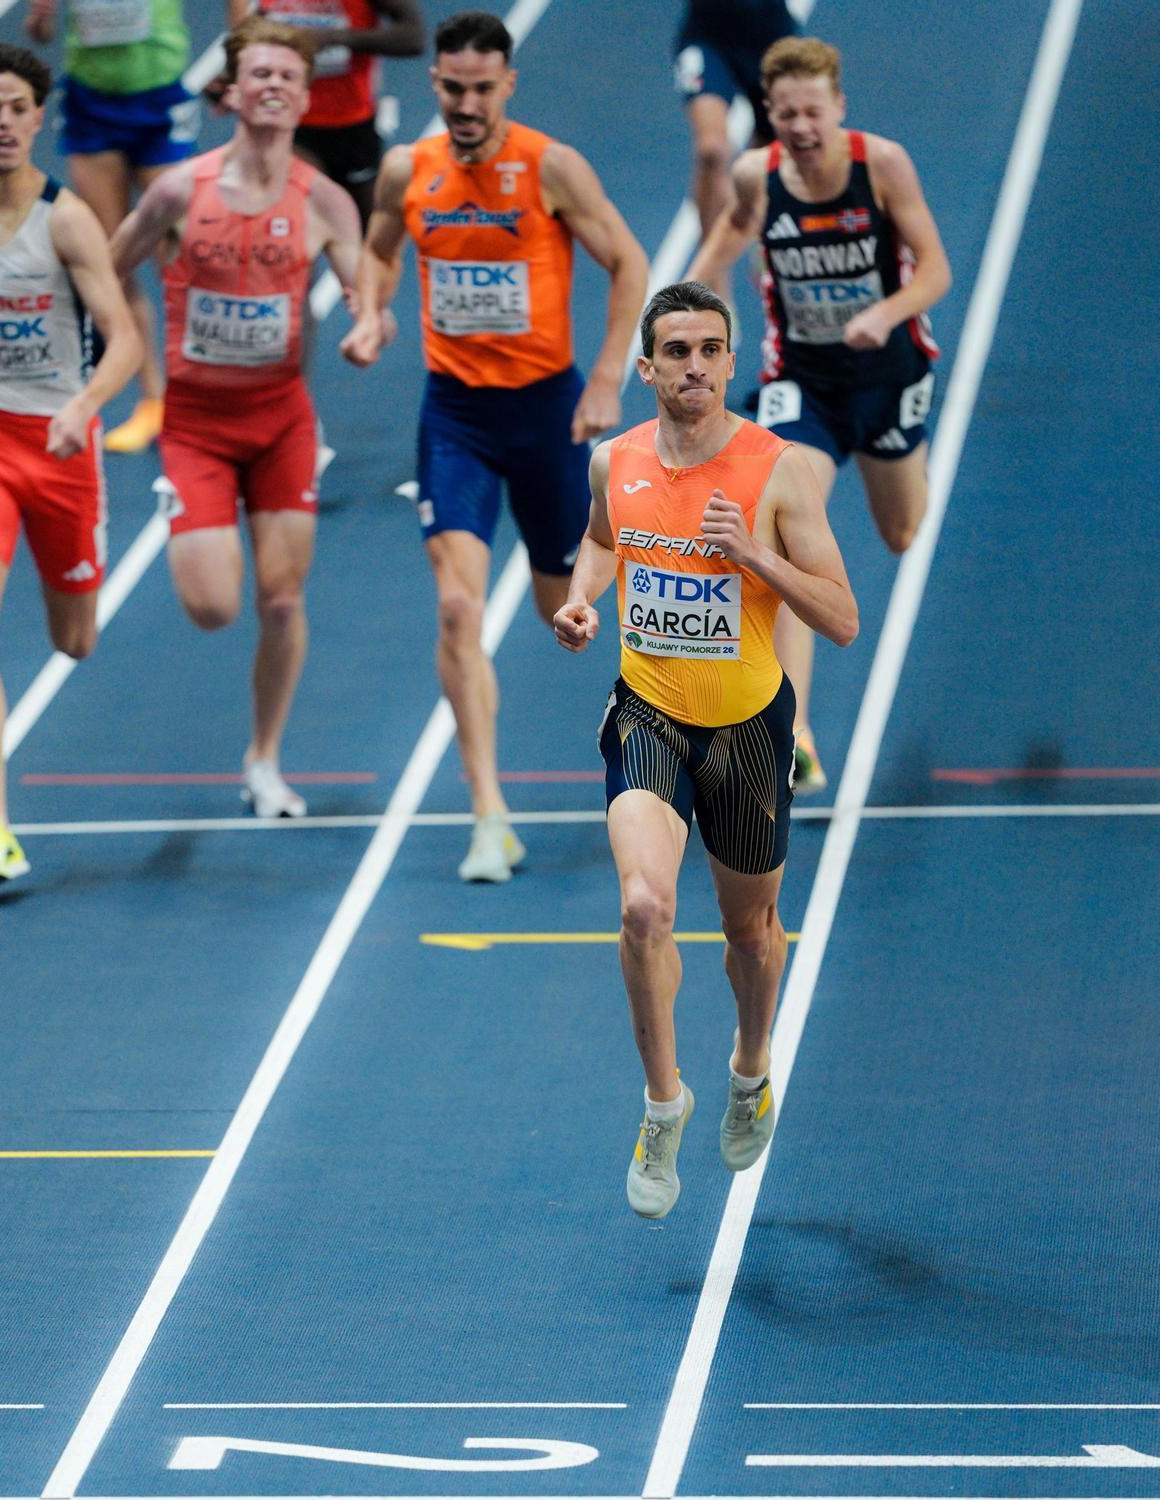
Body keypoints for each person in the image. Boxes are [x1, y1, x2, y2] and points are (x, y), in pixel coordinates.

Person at [554, 281, 857, 1219]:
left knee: (750, 936)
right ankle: (661, 1102)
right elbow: (605, 540)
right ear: (646, 367)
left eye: (709, 350)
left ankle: (749, 1067)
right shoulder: (617, 459)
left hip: (747, 733)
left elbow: (842, 618)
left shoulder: (780, 472)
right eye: (675, 351)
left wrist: (757, 559)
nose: (693, 366)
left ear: (733, 363)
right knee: (644, 906)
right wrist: (582, 598)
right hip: (647, 714)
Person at [349, 9, 649, 883]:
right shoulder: (409, 170)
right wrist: (371, 314)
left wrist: (603, 380)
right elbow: (377, 251)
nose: (467, 103)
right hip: (457, 421)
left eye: (483, 89)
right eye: (452, 88)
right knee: (456, 610)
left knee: (579, 618)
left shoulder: (551, 167)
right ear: (434, 85)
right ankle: (489, 815)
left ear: (508, 87)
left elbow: (628, 261)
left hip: (549, 419)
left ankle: (672, 761)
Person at [110, 16, 370, 818]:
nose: (273, 87)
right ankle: (187, 503)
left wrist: (368, 327)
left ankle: (264, 758)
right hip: (195, 424)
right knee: (214, 606)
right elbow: (104, 269)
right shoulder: (176, 191)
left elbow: (366, 298)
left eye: (286, 77)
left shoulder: (324, 200)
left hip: (283, 421)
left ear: (303, 97)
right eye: (258, 74)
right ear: (229, 92)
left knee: (283, 600)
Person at [689, 36, 950, 791]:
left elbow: (935, 267)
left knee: (900, 532)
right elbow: (733, 231)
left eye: (813, 112)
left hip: (888, 375)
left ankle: (907, 459)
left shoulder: (882, 166)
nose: (801, 127)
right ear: (768, 113)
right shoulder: (755, 173)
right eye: (786, 114)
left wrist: (887, 313)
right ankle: (793, 728)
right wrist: (685, 304)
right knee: (786, 522)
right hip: (802, 380)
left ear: (838, 106)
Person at [0, 42, 140, 893]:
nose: (2, 123)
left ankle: (54, 590)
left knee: (76, 639)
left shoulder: (65, 220)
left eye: (16, 110)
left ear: (38, 120)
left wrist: (81, 406)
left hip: (60, 447)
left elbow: (128, 340)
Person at [222, 0, 425, 479]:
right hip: (294, 134)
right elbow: (242, 41)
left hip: (352, 129)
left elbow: (413, 37)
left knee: (371, 250)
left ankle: (369, 318)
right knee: (292, 270)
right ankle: (293, 414)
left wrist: (338, 40)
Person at [24, 0, 199, 454]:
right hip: (92, 104)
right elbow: (41, 32)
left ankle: (196, 391)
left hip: (158, 98)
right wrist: (41, 19)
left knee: (179, 254)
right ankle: (154, 398)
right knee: (111, 257)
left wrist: (239, 54)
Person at [227, 0, 425, 229]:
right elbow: (244, 31)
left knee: (366, 231)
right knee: (292, 223)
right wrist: (232, 74)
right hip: (290, 124)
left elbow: (414, 37)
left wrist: (335, 37)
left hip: (352, 122)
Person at [673, 0, 798, 303]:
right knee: (712, 151)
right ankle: (717, 291)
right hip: (707, 39)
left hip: (771, 40)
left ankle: (756, 224)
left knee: (772, 155)